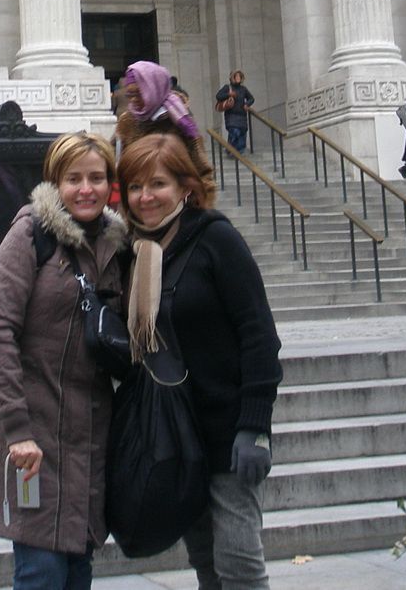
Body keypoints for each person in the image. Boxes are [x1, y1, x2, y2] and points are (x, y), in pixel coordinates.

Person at [0, 132, 130, 589]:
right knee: (42, 572)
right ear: (55, 182)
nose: (86, 189)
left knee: (77, 569)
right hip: (31, 436)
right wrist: (16, 430)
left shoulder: (114, 247)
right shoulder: (30, 233)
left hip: (88, 439)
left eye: (96, 177)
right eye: (74, 178)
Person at [117, 132, 283, 590]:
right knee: (207, 564)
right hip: (176, 437)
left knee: (239, 565)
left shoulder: (216, 240)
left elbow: (259, 337)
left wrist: (255, 427)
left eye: (157, 185)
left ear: (185, 187)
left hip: (228, 434)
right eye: (134, 187)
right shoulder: (139, 253)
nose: (145, 197)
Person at [115, 59, 215, 198]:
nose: (133, 100)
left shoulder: (180, 120)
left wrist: (198, 208)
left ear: (153, 88)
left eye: (139, 93)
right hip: (139, 205)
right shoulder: (126, 122)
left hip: (175, 206)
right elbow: (115, 160)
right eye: (130, 95)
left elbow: (202, 172)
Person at [214, 70, 255, 153]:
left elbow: (251, 98)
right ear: (232, 78)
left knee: (242, 136)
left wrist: (247, 104)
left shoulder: (243, 89)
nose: (238, 78)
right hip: (231, 115)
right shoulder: (227, 87)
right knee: (235, 132)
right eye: (236, 76)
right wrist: (229, 94)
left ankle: (237, 153)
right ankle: (230, 150)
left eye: (239, 76)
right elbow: (218, 96)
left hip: (242, 116)